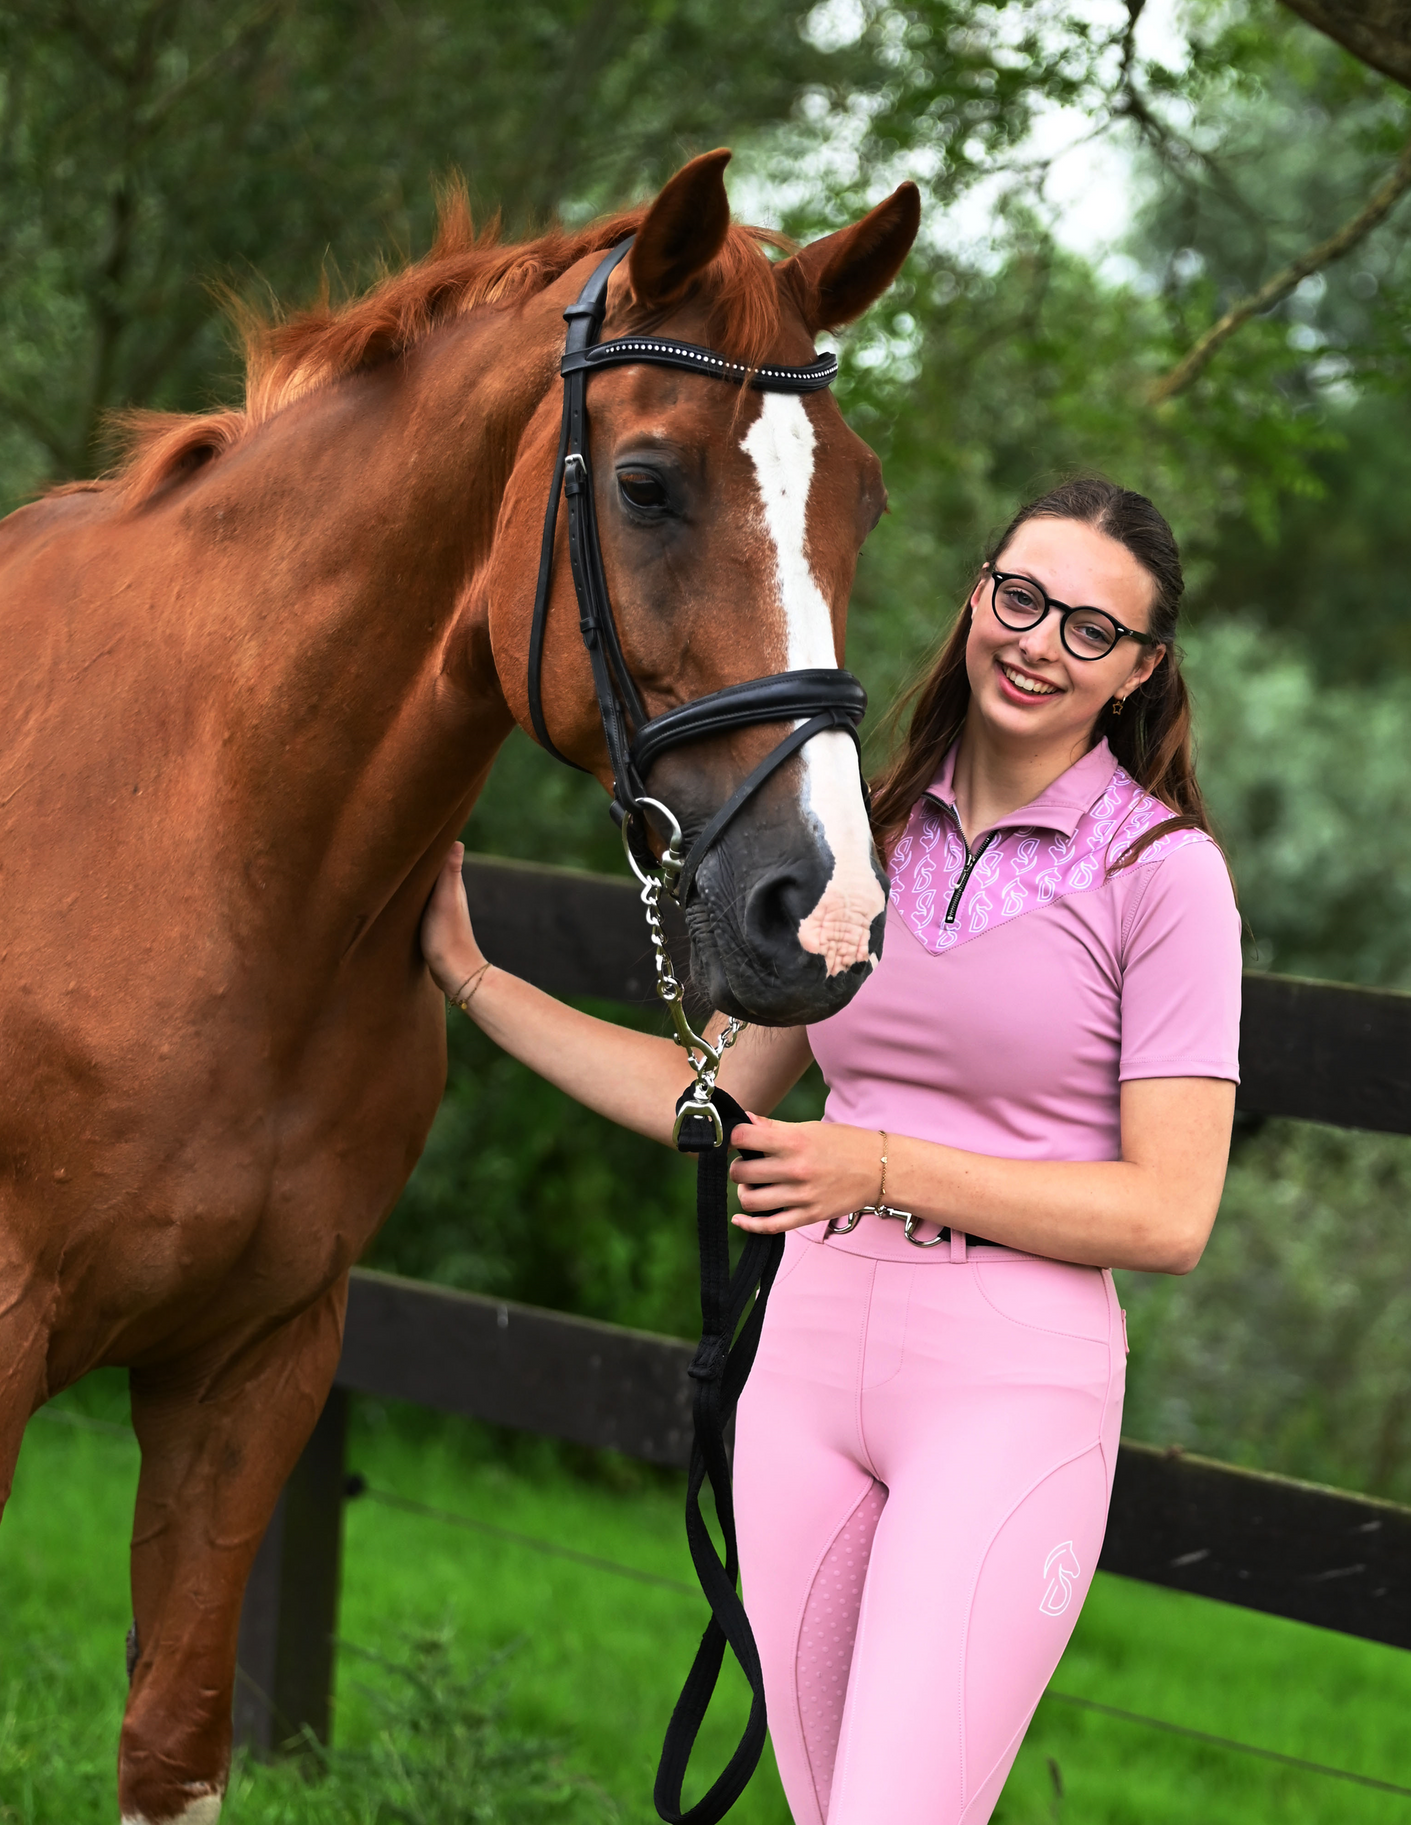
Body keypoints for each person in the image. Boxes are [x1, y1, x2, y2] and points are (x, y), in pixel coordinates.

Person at [421, 475, 1242, 1825]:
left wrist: (877, 1167)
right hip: (803, 1380)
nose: (1039, 641)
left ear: (1139, 670)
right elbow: (711, 1094)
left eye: (1090, 629)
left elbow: (1170, 1214)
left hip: (1008, 1393)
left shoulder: (1161, 876)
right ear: (981, 595)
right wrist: (471, 978)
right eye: (1021, 597)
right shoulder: (866, 841)